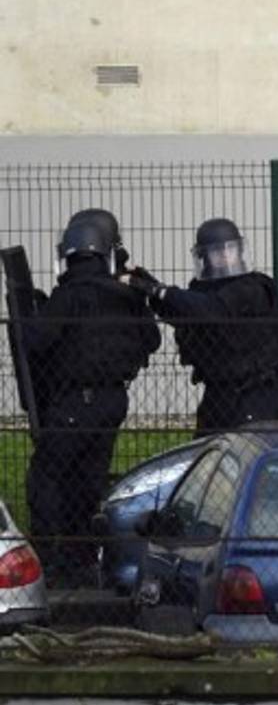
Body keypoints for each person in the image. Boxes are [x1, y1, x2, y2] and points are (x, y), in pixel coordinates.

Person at [24, 211, 161, 586]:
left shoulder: (70, 296)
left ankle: (50, 558)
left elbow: (36, 341)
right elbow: (151, 339)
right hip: (113, 401)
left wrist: (33, 312)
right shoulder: (127, 297)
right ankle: (83, 557)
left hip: (74, 403)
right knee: (88, 480)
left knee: (47, 477)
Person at [127, 217, 278, 436]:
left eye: (229, 249)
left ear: (239, 251)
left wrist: (161, 291)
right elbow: (187, 315)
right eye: (216, 251)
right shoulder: (203, 291)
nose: (224, 255)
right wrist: (149, 287)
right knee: (204, 454)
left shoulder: (253, 287)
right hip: (218, 392)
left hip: (253, 394)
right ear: (204, 257)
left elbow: (213, 310)